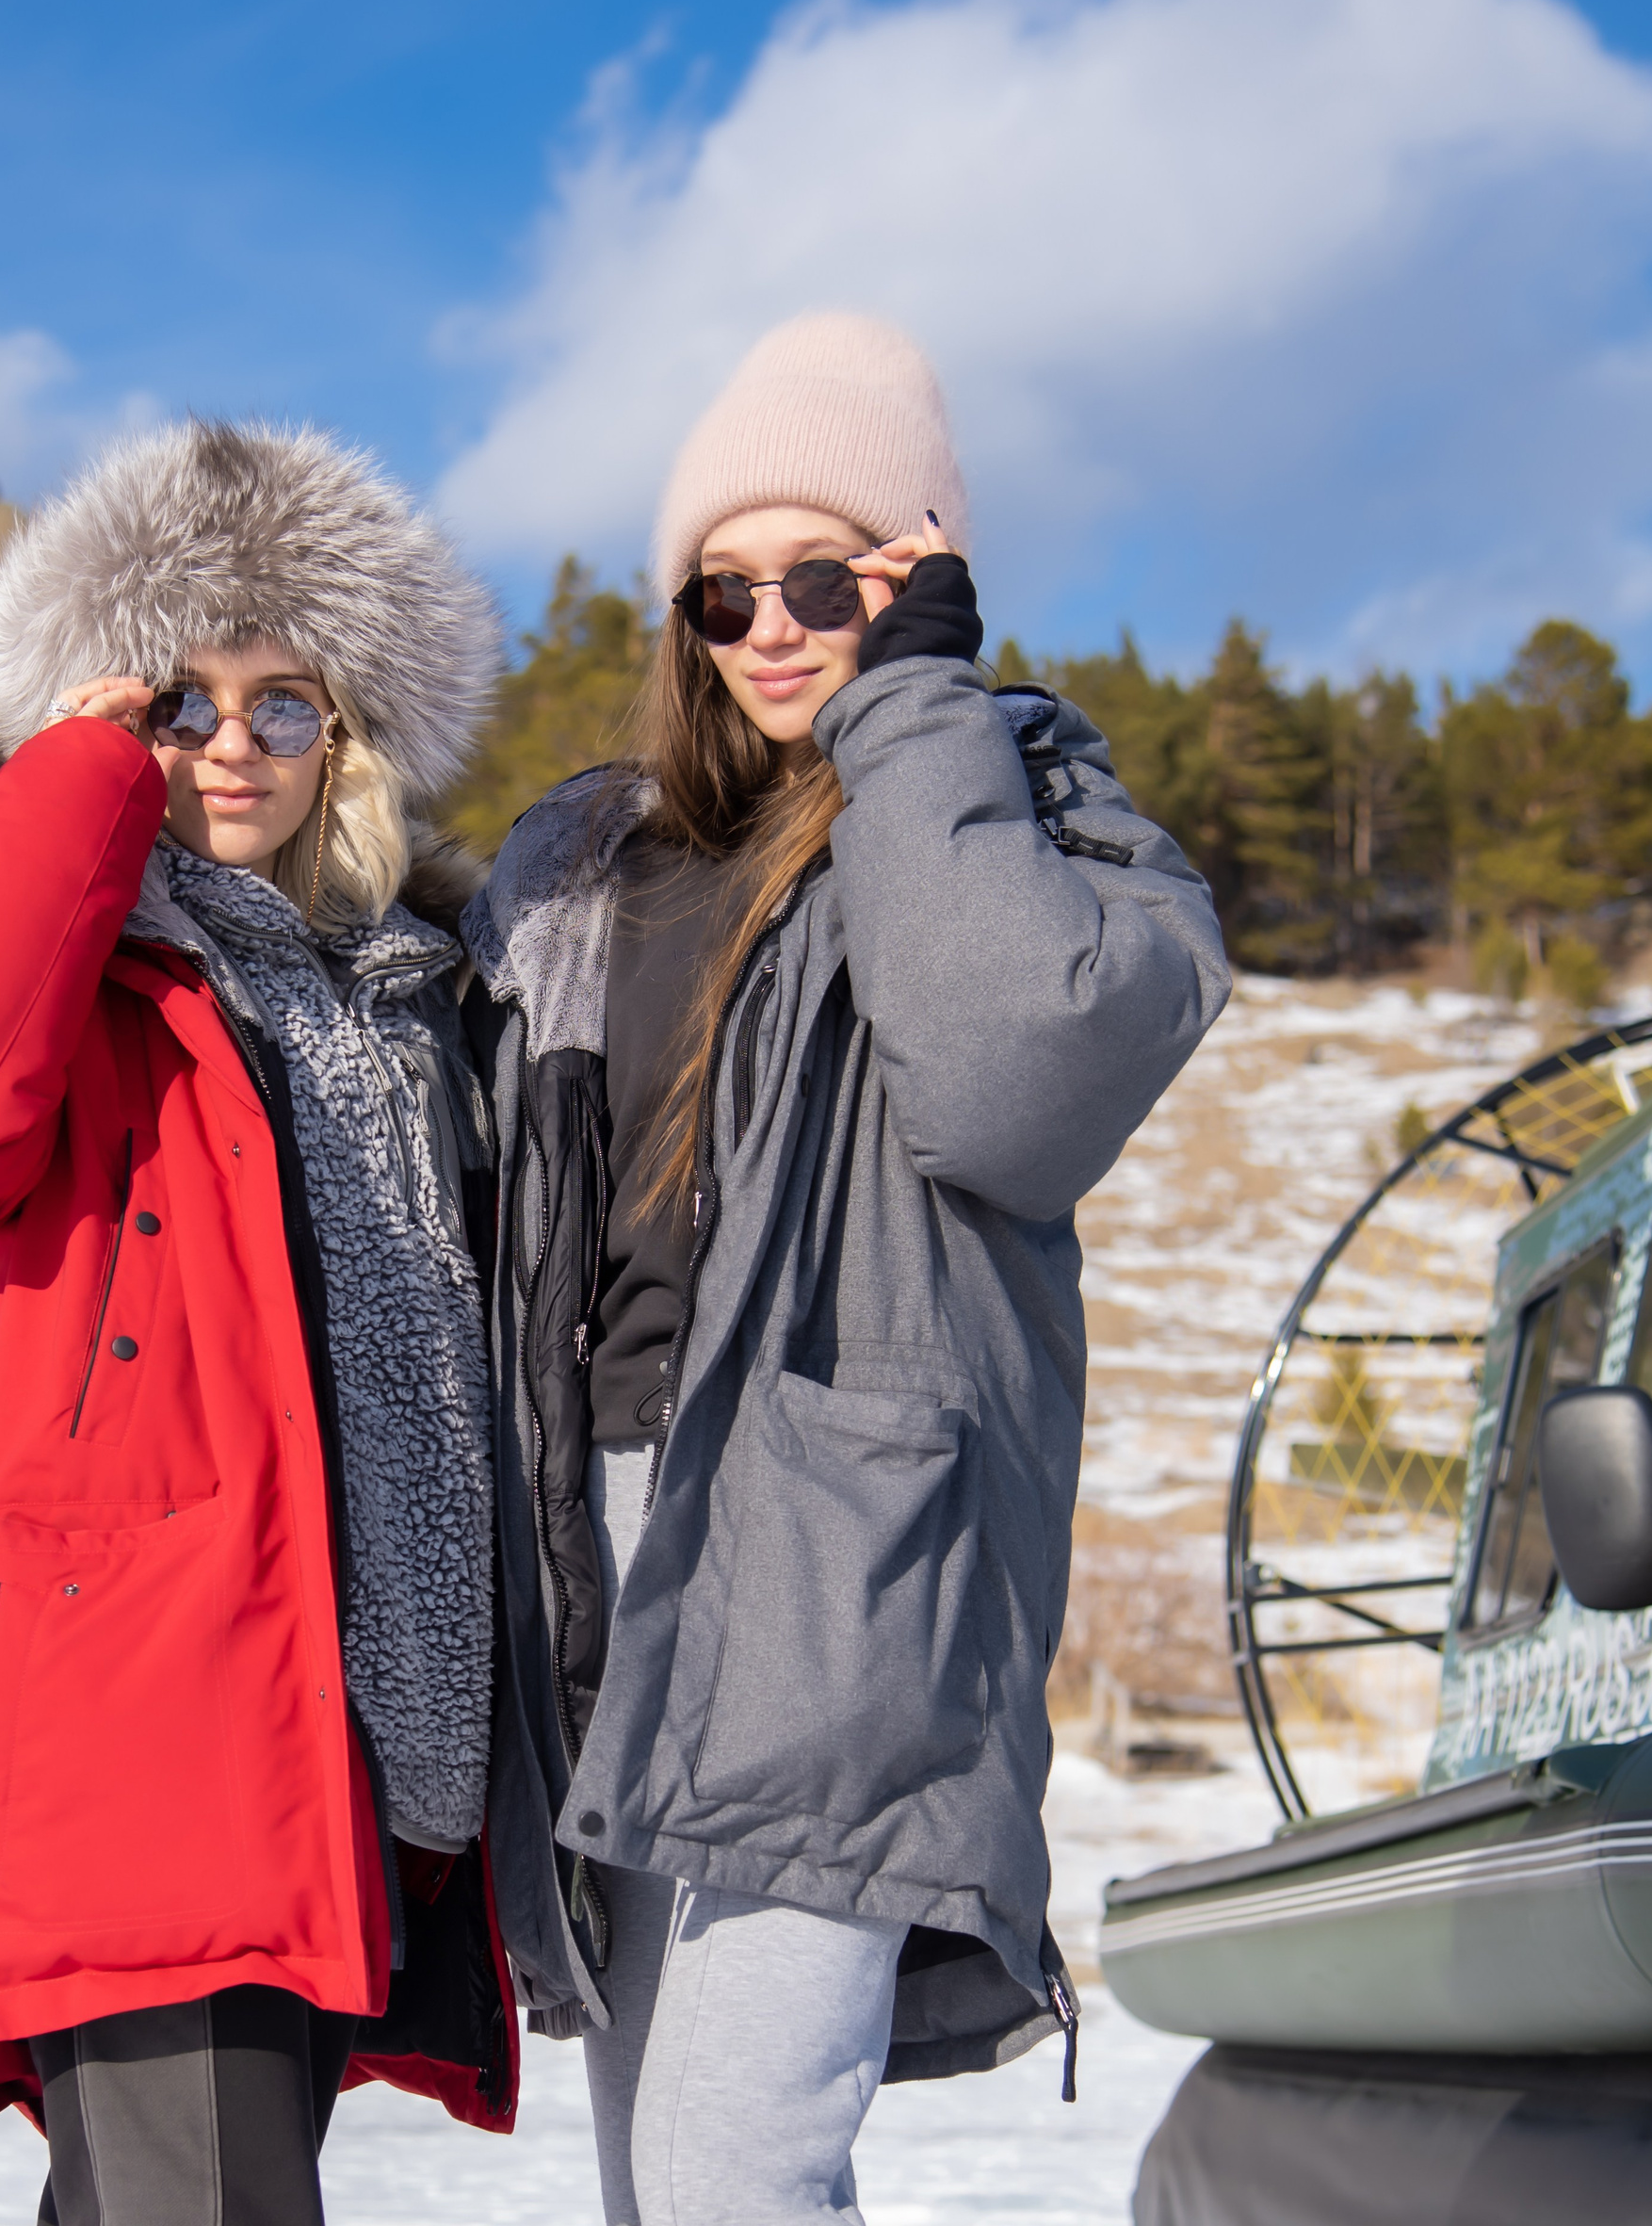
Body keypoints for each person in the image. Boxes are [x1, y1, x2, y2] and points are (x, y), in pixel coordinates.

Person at [462, 313, 1232, 2225]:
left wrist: (914, 706)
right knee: (661, 2180)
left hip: (834, 1564)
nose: (776, 623)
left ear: (927, 575)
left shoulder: (1038, 820)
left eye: (833, 576)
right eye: (727, 589)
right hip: (597, 1562)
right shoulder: (577, 866)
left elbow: (1006, 1085)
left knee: (736, 2172)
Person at [0, 419, 520, 2226]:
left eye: (285, 703)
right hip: (134, 1734)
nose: (232, 744)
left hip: (350, 1734)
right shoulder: (52, 968)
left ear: (350, 734)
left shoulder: (405, 996)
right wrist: (75, 782)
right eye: (180, 698)